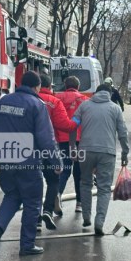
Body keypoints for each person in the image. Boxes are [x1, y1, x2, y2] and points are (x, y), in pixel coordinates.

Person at [0, 71, 62, 256]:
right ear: (36, 87)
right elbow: (46, 138)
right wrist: (56, 161)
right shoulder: (37, 105)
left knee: (12, 195)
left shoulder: (3, 101)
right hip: (28, 161)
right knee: (33, 201)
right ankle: (27, 245)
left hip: (7, 158)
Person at [70, 83, 129, 236]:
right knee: (104, 189)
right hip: (107, 153)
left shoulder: (84, 106)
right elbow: (123, 133)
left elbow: (72, 125)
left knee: (85, 183)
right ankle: (99, 222)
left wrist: (72, 148)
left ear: (96, 93)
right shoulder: (115, 109)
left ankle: (86, 216)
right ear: (110, 94)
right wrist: (125, 152)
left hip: (85, 151)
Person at [37, 74, 77, 231]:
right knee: (53, 181)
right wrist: (77, 122)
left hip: (28, 147)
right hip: (50, 146)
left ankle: (35, 220)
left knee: (33, 181)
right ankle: (47, 210)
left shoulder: (26, 100)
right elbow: (65, 125)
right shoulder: (54, 102)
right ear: (49, 86)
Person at [55, 76, 88, 214]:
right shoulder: (85, 100)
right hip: (80, 140)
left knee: (64, 169)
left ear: (65, 85)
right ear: (78, 86)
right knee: (79, 173)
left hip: (62, 139)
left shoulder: (58, 98)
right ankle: (79, 203)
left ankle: (57, 194)